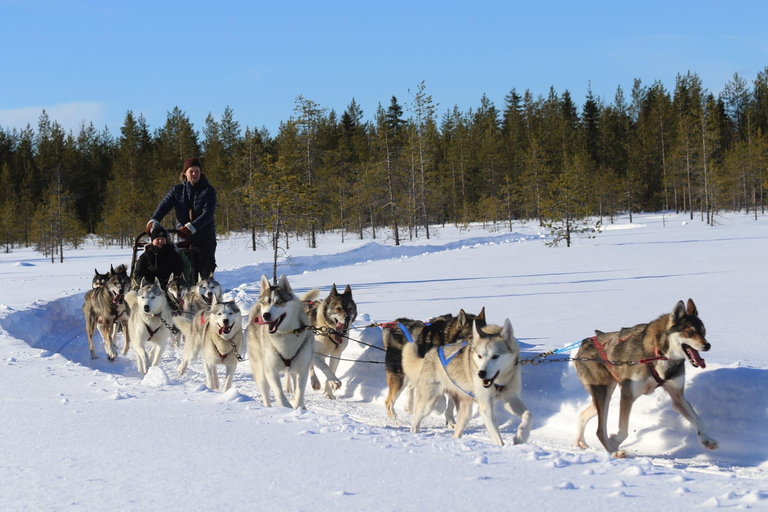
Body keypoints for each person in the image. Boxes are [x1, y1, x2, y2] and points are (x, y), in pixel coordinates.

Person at [147, 157, 217, 283]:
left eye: (197, 171)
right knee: (186, 274)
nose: (194, 174)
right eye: (191, 171)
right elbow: (163, 207)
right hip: (184, 241)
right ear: (185, 173)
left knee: (204, 277)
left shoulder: (208, 191)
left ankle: (206, 301)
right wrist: (153, 221)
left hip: (205, 240)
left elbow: (208, 215)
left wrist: (191, 228)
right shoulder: (177, 191)